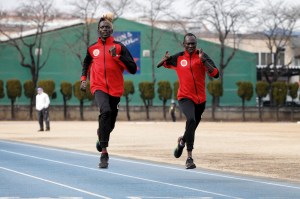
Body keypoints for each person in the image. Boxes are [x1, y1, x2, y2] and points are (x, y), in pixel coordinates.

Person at [80, 14, 137, 169]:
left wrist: (117, 57)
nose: (105, 29)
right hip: (98, 86)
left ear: (112, 30)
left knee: (110, 123)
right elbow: (86, 63)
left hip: (115, 89)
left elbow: (133, 69)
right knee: (104, 111)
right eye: (102, 27)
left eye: (107, 27)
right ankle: (104, 153)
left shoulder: (119, 47)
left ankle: (102, 135)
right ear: (99, 30)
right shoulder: (92, 49)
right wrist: (84, 79)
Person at [157, 33, 220, 169]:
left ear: (196, 44)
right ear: (183, 44)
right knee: (190, 120)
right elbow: (161, 64)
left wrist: (204, 61)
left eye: (193, 43)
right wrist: (165, 60)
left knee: (192, 127)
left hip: (201, 100)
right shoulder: (179, 58)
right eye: (188, 43)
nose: (191, 46)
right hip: (185, 97)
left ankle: (182, 141)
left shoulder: (202, 56)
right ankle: (189, 158)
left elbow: (215, 74)